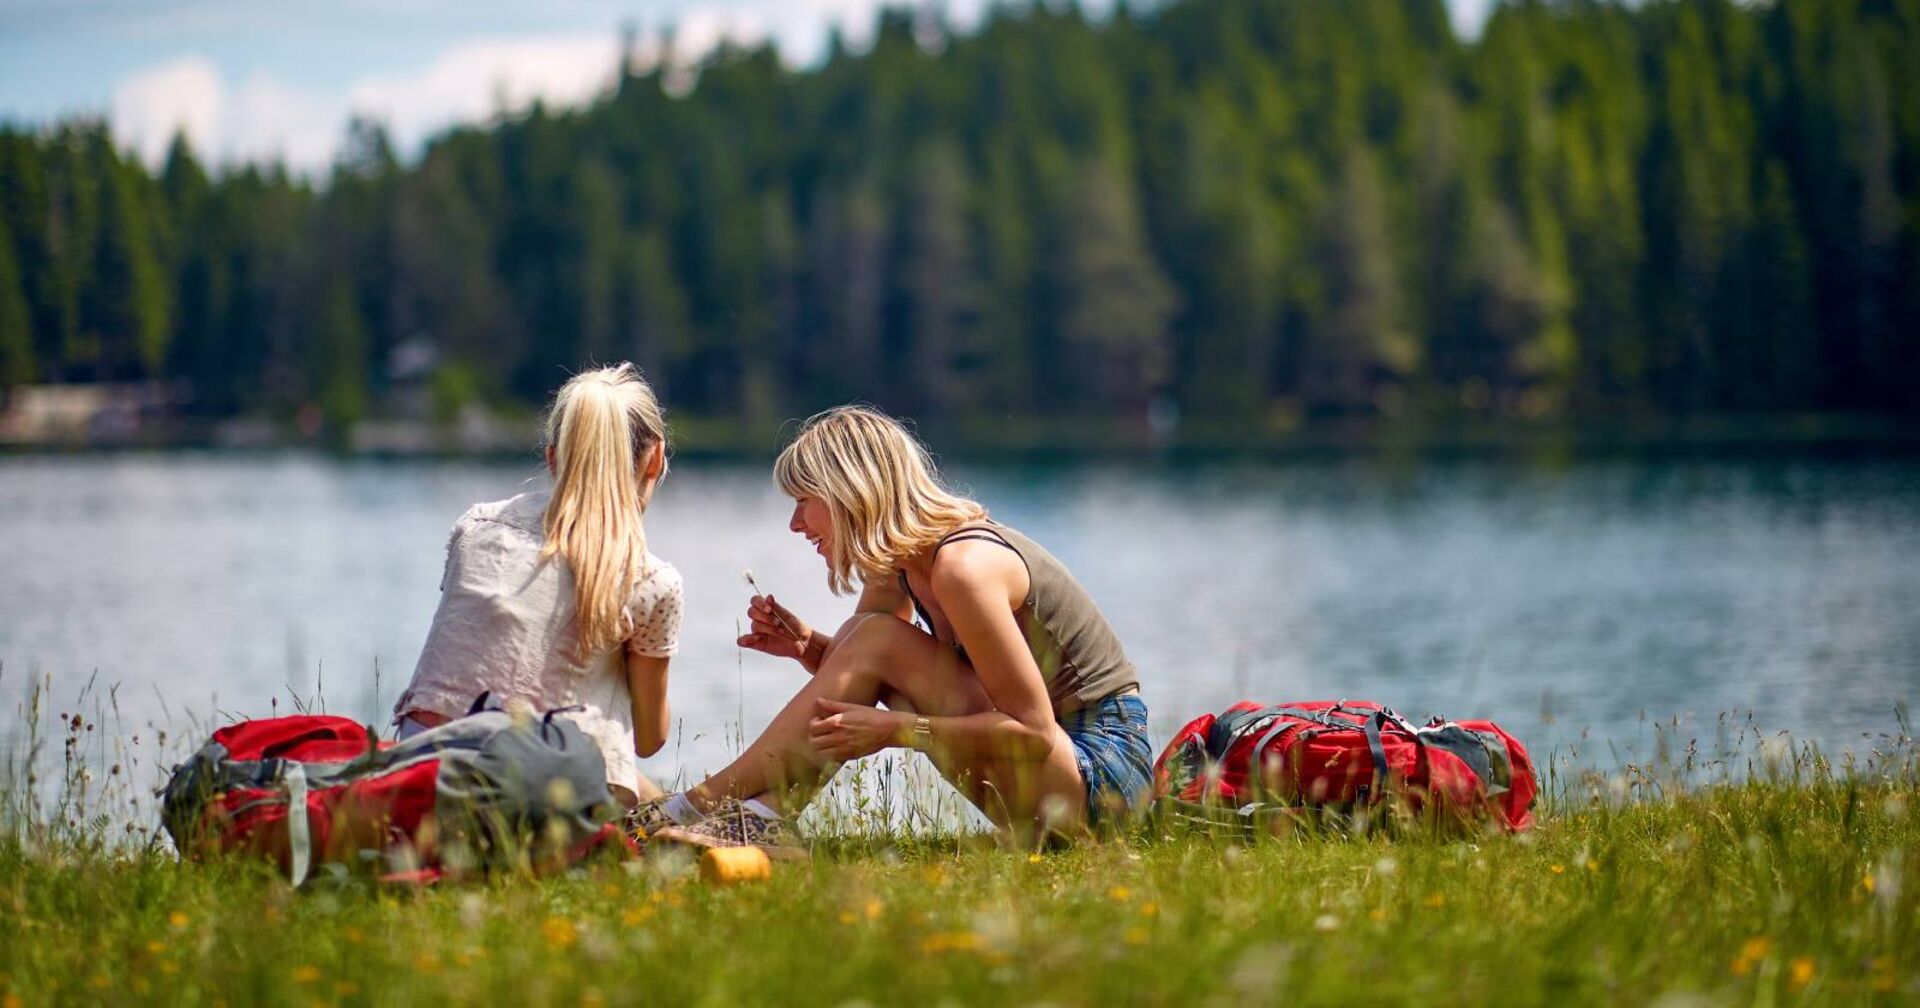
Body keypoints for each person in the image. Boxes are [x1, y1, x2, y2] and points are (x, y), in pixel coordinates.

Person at [639, 405, 1149, 847]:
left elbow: (1034, 733)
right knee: (871, 637)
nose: (795, 525)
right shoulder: (900, 566)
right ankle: (760, 819)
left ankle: (688, 808)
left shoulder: (964, 567)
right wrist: (805, 647)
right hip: (1048, 783)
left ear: (850, 493)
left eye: (803, 501)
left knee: (878, 637)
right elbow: (861, 681)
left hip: (1101, 776)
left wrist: (900, 731)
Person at [392, 363, 681, 809]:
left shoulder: (475, 528)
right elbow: (648, 737)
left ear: (551, 457)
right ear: (656, 457)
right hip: (543, 798)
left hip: (416, 779)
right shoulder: (650, 579)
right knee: (647, 791)